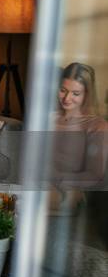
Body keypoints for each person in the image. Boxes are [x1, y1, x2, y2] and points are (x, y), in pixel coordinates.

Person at [50, 62, 107, 211]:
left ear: (86, 94)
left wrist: (59, 178)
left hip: (68, 190)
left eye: (76, 93)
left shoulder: (97, 125)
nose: (67, 98)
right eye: (63, 90)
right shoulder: (49, 118)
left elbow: (95, 175)